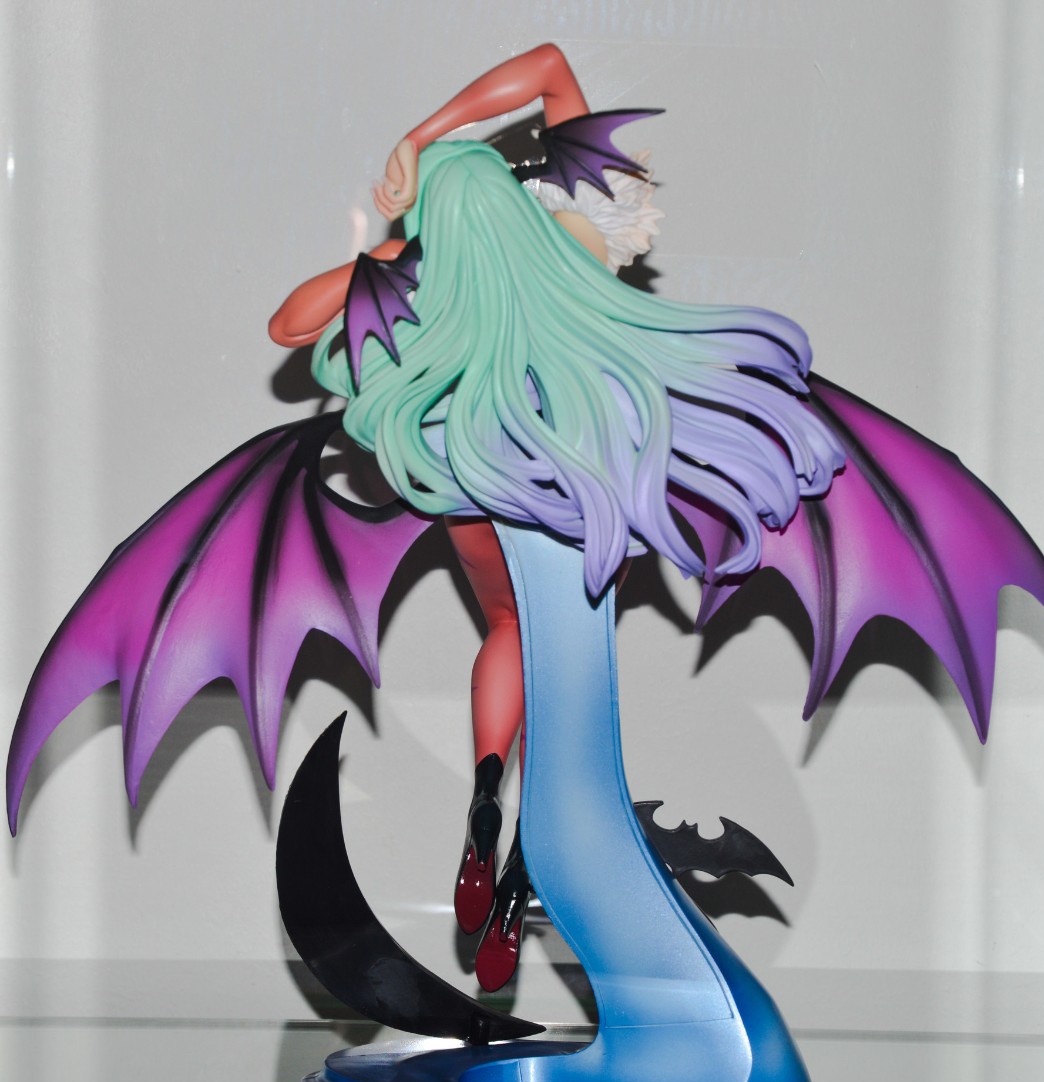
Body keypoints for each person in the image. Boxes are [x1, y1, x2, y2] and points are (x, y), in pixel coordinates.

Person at [268, 44, 845, 989]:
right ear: (512, 196)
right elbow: (547, 67)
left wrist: (403, 250)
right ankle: (523, 870)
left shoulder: (418, 277)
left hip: (475, 486)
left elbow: (290, 326)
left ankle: (485, 796)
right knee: (564, 675)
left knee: (505, 628)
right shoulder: (578, 234)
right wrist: (429, 135)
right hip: (582, 498)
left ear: (438, 221)